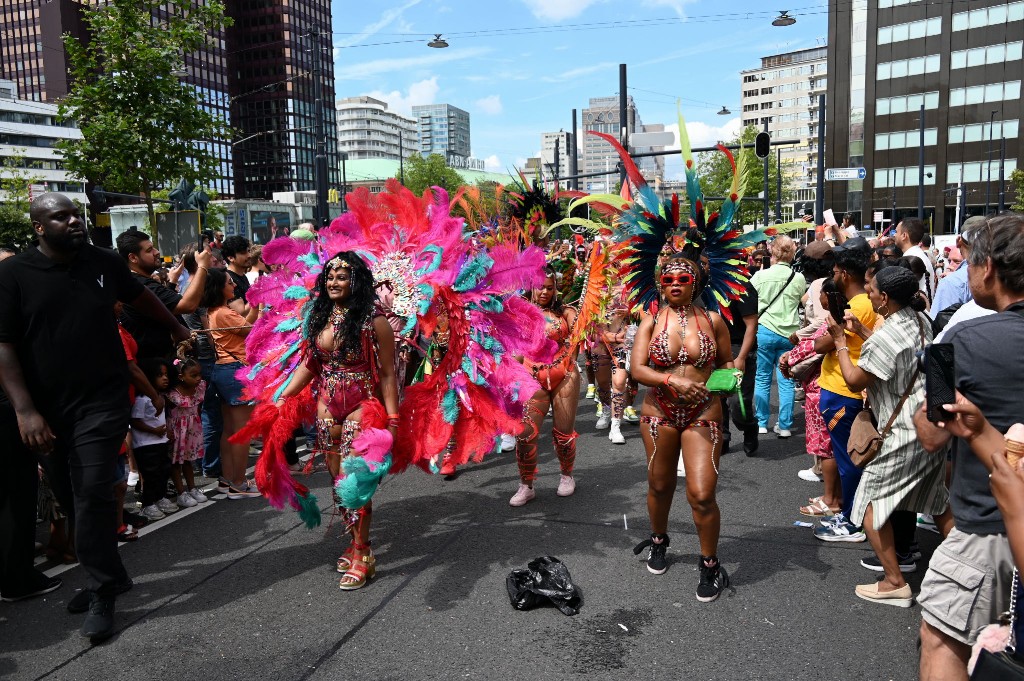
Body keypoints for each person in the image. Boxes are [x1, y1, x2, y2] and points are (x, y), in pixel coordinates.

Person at [0, 193, 188, 641]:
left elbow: (141, 297)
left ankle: (102, 589)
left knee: (91, 492)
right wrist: (26, 411)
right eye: (60, 217)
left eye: (76, 214)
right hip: (45, 410)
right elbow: (3, 345)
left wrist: (179, 328)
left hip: (102, 402)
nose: (74, 222)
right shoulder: (12, 275)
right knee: (69, 493)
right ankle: (113, 574)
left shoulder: (102, 261)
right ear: (39, 227)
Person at [913, 213, 1024, 681]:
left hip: (987, 528)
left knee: (942, 640)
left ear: (989, 270)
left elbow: (934, 435)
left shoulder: (965, 338)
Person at [273, 251, 400, 590]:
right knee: (336, 482)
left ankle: (363, 554)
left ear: (356, 281)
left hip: (362, 405)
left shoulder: (374, 321)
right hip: (327, 407)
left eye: (342, 276)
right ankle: (354, 540)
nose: (333, 282)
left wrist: (393, 417)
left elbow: (388, 373)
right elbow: (310, 364)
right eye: (330, 277)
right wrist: (285, 395)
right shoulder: (320, 317)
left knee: (354, 483)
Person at [826, 263, 949, 606]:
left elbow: (855, 380)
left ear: (884, 298)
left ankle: (894, 581)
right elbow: (899, 356)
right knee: (937, 500)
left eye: (872, 288)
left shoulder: (888, 334)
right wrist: (864, 333)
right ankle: (967, 567)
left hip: (903, 432)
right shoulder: (919, 319)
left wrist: (839, 340)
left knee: (868, 503)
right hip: (932, 424)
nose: (868, 291)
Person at [629, 249, 735, 601]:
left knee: (702, 494)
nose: (674, 284)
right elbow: (637, 369)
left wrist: (728, 377)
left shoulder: (714, 321)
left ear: (696, 283)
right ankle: (658, 540)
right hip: (659, 411)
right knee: (659, 486)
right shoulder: (650, 321)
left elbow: (727, 361)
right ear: (660, 283)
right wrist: (673, 382)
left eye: (683, 279)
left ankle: (710, 565)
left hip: (704, 412)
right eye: (668, 279)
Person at [813, 236, 878, 542]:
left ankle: (852, 522)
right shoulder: (863, 301)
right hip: (842, 389)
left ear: (846, 274)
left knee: (850, 459)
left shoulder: (859, 305)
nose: (833, 274)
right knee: (847, 458)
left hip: (844, 391)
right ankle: (849, 514)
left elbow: (820, 343)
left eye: (836, 269)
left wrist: (830, 333)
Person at [512, 267, 580, 505]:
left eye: (550, 288)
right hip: (532, 375)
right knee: (525, 435)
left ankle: (566, 476)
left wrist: (585, 325)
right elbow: (515, 351)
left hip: (565, 374)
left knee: (563, 434)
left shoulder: (566, 312)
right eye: (540, 286)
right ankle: (526, 485)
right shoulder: (519, 312)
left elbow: (579, 334)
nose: (544, 292)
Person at [201, 268, 261, 499]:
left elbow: (245, 326)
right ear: (218, 287)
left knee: (229, 430)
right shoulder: (223, 312)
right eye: (229, 283)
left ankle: (228, 480)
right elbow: (254, 331)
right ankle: (238, 482)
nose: (234, 286)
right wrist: (263, 309)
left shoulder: (215, 311)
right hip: (234, 371)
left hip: (223, 370)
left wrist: (256, 307)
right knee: (242, 431)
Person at [116, 230, 211, 359]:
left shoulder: (138, 281)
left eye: (154, 247)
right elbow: (188, 306)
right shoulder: (140, 285)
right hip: (157, 365)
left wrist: (172, 282)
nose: (156, 252)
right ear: (133, 258)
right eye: (149, 250)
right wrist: (202, 266)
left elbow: (163, 306)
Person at [750, 235, 807, 438]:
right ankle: (784, 426)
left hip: (764, 329)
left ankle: (762, 422)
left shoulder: (759, 277)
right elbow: (804, 302)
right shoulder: (798, 278)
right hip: (789, 333)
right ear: (792, 254)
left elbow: (750, 301)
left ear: (772, 253)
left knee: (762, 377)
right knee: (786, 379)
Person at [132, 358, 178, 521]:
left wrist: (166, 432)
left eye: (166, 374)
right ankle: (147, 504)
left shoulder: (161, 397)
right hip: (146, 444)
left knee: (163, 472)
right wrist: (153, 430)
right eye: (160, 375)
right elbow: (135, 421)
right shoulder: (142, 399)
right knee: (150, 475)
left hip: (160, 442)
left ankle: (160, 498)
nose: (165, 378)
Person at [722, 281, 758, 456]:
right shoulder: (705, 286)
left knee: (738, 403)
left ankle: (749, 426)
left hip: (738, 349)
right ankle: (722, 438)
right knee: (716, 400)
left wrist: (742, 357)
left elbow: (752, 325)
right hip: (714, 350)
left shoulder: (742, 287)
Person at [167, 358, 209, 508]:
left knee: (188, 461)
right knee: (175, 462)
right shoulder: (172, 394)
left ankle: (192, 488)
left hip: (192, 430)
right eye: (194, 375)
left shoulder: (199, 388)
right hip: (177, 430)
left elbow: (197, 409)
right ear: (181, 377)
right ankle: (181, 492)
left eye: (199, 374)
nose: (199, 378)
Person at [930, 216, 985, 319]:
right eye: (950, 261)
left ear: (959, 241)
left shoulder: (953, 283)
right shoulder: (1004, 275)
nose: (950, 266)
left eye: (956, 261)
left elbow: (938, 327)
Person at [894, 218, 936, 305]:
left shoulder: (911, 259)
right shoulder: (919, 255)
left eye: (896, 232)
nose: (894, 235)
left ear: (904, 235)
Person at [222, 235, 252, 304]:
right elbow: (240, 312)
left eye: (249, 251)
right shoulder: (228, 279)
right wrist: (257, 294)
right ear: (231, 258)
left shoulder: (242, 276)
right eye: (243, 253)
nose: (249, 255)